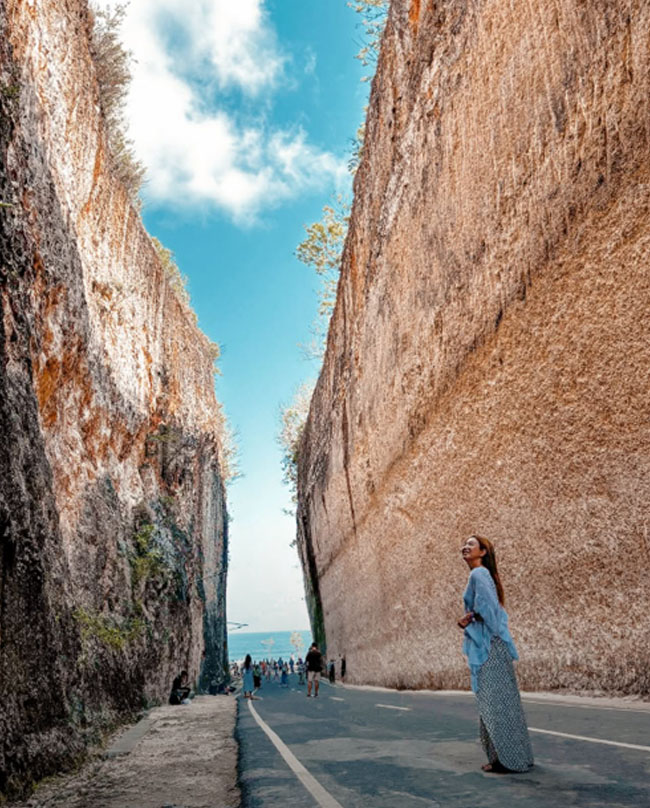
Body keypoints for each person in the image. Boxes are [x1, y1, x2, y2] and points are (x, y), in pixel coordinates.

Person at [458, 535, 534, 773]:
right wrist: (470, 619)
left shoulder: (478, 574)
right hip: (497, 645)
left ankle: (506, 760)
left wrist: (470, 620)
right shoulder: (486, 575)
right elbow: (490, 610)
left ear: (482, 552)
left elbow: (488, 611)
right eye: (465, 544)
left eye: (471, 544)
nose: (465, 547)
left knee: (493, 704)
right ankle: (515, 756)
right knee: (504, 702)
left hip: (489, 647)